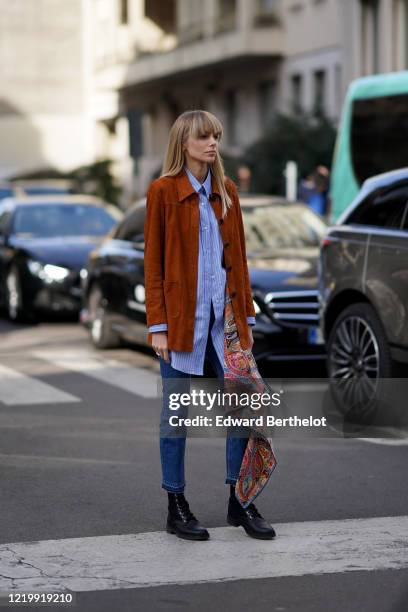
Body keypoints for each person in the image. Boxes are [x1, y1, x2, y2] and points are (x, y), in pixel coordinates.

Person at [144, 110, 276, 541]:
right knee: (175, 417)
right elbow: (154, 266)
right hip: (182, 323)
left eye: (216, 136)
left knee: (243, 410)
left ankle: (240, 502)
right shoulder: (163, 192)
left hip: (227, 324)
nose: (212, 143)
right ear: (184, 142)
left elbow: (238, 260)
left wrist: (246, 320)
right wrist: (157, 325)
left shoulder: (227, 192)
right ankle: (175, 505)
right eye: (204, 137)